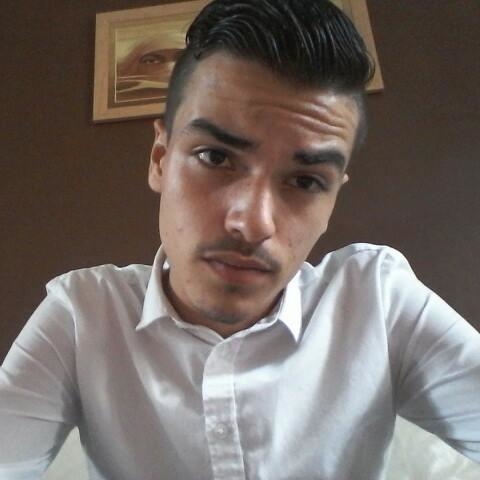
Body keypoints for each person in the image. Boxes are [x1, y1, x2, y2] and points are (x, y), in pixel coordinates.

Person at [1, 0, 479, 479]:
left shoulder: (378, 301)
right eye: (215, 157)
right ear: (160, 159)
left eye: (307, 181)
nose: (252, 224)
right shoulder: (83, 314)